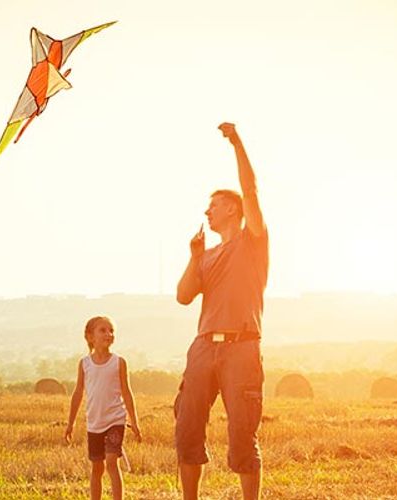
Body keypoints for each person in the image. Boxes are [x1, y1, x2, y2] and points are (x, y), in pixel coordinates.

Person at [174, 122, 268, 500]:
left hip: (241, 346)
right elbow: (183, 296)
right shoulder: (207, 255)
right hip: (202, 347)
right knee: (187, 429)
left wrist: (237, 142)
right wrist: (193, 256)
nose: (207, 212)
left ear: (232, 208)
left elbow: (251, 190)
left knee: (242, 433)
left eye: (212, 205)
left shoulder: (253, 241)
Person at [64, 316, 142, 500]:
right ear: (90, 336)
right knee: (97, 468)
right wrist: (70, 423)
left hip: (115, 420)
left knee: (112, 463)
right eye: (103, 330)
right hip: (94, 423)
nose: (109, 334)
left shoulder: (119, 362)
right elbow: (78, 393)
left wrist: (134, 421)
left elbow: (127, 392)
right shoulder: (85, 364)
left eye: (111, 330)